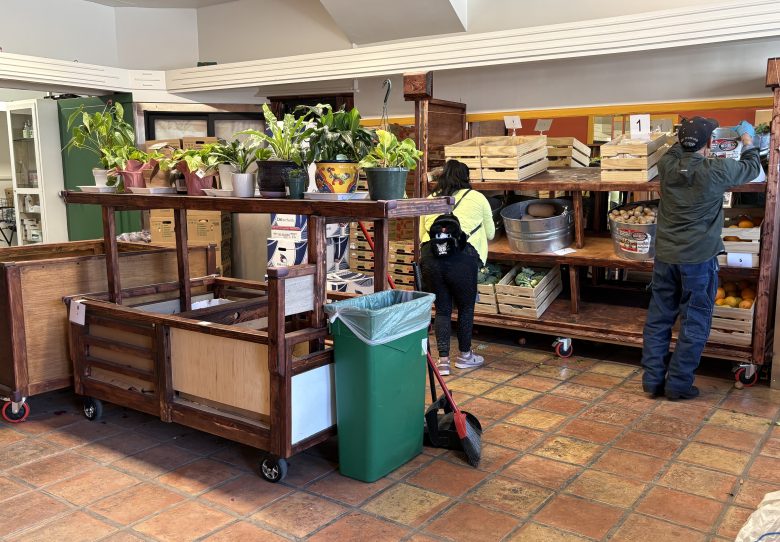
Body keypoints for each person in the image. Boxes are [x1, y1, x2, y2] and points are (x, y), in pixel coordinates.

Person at [642, 117, 761, 400]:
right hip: (698, 259)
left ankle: (652, 382)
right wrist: (747, 141)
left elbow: (674, 148)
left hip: (666, 256)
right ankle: (679, 385)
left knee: (659, 319)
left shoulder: (667, 165)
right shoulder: (715, 169)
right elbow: (752, 168)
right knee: (695, 320)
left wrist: (686, 137)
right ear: (710, 143)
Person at [419, 159, 495, 375]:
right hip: (463, 258)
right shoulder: (478, 198)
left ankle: (443, 362)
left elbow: (421, 235)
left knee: (442, 309)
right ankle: (465, 356)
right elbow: (490, 233)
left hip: (432, 258)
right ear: (466, 177)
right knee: (465, 307)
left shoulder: (431, 199)